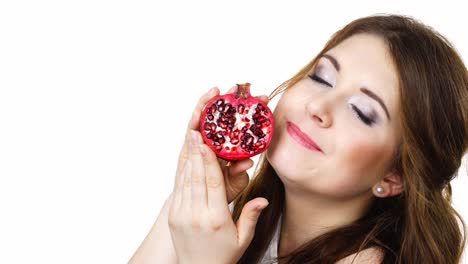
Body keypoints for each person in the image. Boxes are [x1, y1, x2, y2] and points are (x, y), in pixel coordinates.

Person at [129, 14, 468, 264]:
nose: (318, 105)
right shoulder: (235, 222)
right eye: (321, 77)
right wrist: (190, 185)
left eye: (362, 111)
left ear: (395, 176)